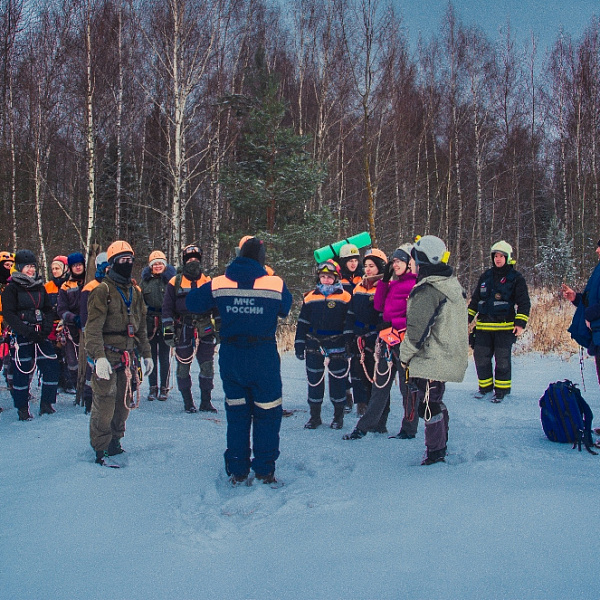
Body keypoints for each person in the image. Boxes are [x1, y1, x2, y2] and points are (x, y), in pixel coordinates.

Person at [186, 237, 292, 485]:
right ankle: (265, 470)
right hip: (263, 355)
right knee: (267, 413)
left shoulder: (219, 282)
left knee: (237, 413)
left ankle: (237, 469)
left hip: (232, 355)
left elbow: (193, 303)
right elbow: (285, 307)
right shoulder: (274, 283)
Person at [400, 235, 468, 465]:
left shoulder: (429, 290)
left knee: (429, 404)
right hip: (447, 355)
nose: (413, 264)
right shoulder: (450, 284)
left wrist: (404, 357)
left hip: (432, 358)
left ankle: (435, 452)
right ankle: (440, 446)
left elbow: (416, 332)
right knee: (435, 400)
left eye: (416, 259)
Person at [85, 241, 153, 466]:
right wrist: (98, 357)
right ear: (112, 264)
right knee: (105, 404)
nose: (128, 264)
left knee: (123, 404)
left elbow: (141, 327)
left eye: (130, 260)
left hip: (128, 357)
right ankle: (100, 447)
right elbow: (92, 329)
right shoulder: (102, 291)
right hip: (107, 354)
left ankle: (115, 441)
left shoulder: (135, 291)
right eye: (122, 260)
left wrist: (147, 354)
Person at [343, 245, 418, 440]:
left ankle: (409, 428)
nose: (396, 265)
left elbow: (416, 318)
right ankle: (364, 427)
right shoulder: (393, 284)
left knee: (406, 387)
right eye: (394, 262)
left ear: (409, 264)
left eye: (400, 262)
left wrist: (393, 323)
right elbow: (378, 305)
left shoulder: (414, 286)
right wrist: (385, 280)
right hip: (387, 343)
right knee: (380, 386)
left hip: (405, 344)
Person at [468, 241, 530, 402]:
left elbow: (524, 303)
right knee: (480, 357)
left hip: (504, 327)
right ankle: (485, 389)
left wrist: (520, 323)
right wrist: (465, 320)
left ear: (508, 258)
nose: (498, 259)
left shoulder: (516, 278)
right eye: (496, 256)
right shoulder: (485, 277)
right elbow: (475, 301)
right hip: (483, 327)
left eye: (501, 256)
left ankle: (501, 392)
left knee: (502, 360)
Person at [2, 249, 59, 420]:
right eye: (27, 267)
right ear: (19, 268)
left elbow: (48, 310)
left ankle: (47, 404)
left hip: (40, 334)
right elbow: (9, 315)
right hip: (22, 335)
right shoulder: (11, 289)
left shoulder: (40, 287)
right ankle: (22, 408)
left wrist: (46, 329)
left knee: (51, 365)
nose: (31, 270)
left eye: (33, 267)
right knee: (22, 370)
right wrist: (26, 331)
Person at [295, 260, 352, 430]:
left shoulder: (345, 297)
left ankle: (338, 416)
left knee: (337, 383)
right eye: (323, 277)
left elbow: (349, 323)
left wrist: (349, 343)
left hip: (337, 346)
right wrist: (299, 344)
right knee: (314, 382)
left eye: (329, 277)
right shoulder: (310, 297)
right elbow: (302, 323)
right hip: (314, 346)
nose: (325, 280)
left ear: (336, 278)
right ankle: (315, 417)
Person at [162, 244, 218, 413]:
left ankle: (206, 402)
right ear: (184, 261)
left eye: (195, 259)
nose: (193, 262)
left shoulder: (208, 281)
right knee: (183, 364)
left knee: (207, 364)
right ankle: (188, 402)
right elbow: (166, 309)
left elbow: (217, 307)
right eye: (189, 259)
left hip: (205, 327)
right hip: (183, 328)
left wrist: (221, 330)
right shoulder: (175, 281)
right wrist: (168, 332)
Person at [344, 248, 387, 417]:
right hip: (358, 335)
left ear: (380, 267)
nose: (367, 269)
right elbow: (350, 313)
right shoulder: (359, 287)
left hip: (376, 337)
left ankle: (375, 408)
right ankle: (360, 403)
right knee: (357, 371)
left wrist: (376, 334)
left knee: (375, 373)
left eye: (372, 266)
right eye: (366, 266)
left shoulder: (385, 286)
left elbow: (384, 315)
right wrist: (348, 336)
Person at [562, 239, 600, 384]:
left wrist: (589, 315)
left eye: (599, 247)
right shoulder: (598, 269)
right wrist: (576, 298)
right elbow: (592, 299)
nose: (597, 250)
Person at [140, 250, 176, 401]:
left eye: (161, 263)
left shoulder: (171, 281)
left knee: (164, 355)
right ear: (151, 266)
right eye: (155, 264)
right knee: (151, 355)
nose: (158, 266)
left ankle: (164, 387)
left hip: (166, 321)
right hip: (149, 321)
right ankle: (152, 387)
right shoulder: (145, 282)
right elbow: (139, 301)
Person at [79, 251, 109, 413]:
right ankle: (89, 401)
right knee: (93, 365)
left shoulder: (118, 285)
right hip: (94, 333)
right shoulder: (90, 287)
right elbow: (84, 312)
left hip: (112, 333)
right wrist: (87, 331)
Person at [337, 243, 363, 413]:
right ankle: (346, 394)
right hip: (341, 325)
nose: (353, 263)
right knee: (341, 361)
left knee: (358, 364)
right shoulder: (339, 281)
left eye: (355, 260)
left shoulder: (363, 278)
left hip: (359, 326)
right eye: (349, 260)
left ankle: (361, 400)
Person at [57, 252, 86, 393]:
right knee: (72, 362)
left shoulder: (90, 282)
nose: (78, 268)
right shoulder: (66, 286)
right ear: (70, 268)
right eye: (75, 266)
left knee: (89, 360)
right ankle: (77, 388)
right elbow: (61, 309)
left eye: (80, 265)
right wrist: (73, 318)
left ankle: (89, 391)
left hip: (89, 327)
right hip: (71, 328)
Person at [44, 255, 72, 393]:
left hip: (67, 325)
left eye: (57, 268)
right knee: (53, 355)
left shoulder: (71, 285)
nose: (55, 271)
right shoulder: (47, 287)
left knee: (68, 354)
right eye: (53, 268)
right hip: (51, 326)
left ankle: (69, 382)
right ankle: (55, 381)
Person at [0, 251, 15, 392]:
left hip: (9, 327)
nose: (8, 268)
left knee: (11, 359)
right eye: (6, 265)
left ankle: (13, 386)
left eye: (11, 265)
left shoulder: (13, 286)